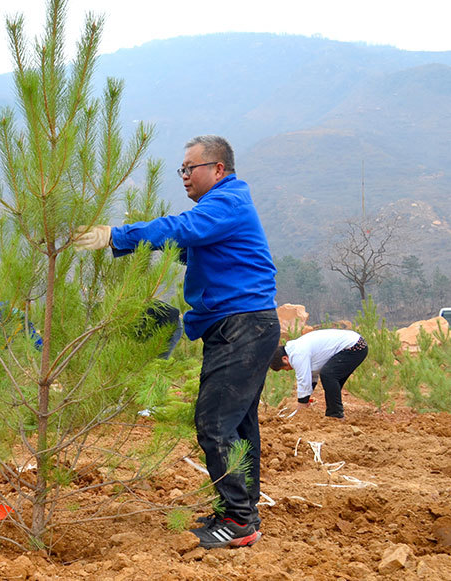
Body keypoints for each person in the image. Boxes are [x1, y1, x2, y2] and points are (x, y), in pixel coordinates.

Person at [74, 135, 280, 549]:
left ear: (218, 169)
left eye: (191, 168)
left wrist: (118, 234)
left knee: (215, 422)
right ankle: (238, 511)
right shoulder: (220, 208)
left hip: (242, 326)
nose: (184, 176)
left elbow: (182, 229)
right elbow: (187, 243)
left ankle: (240, 520)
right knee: (237, 424)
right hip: (237, 326)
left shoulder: (228, 202)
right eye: (181, 170)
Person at [269, 329, 368, 419]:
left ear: (285, 359)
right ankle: (334, 414)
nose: (287, 370)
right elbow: (311, 376)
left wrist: (301, 406)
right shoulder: (297, 348)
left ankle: (335, 415)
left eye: (284, 368)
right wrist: (306, 399)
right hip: (356, 344)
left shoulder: (297, 353)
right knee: (331, 379)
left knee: (329, 375)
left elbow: (303, 380)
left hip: (354, 346)